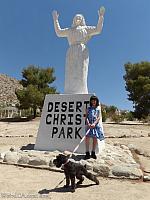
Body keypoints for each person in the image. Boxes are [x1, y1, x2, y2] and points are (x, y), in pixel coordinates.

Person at [52, 8, 105, 94]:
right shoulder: (70, 30)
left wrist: (101, 17)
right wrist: (55, 20)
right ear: (74, 20)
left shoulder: (86, 29)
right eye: (76, 18)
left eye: (79, 18)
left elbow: (97, 30)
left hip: (82, 50)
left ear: (82, 20)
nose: (78, 19)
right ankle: (69, 91)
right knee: (70, 71)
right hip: (71, 50)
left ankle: (82, 91)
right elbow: (59, 32)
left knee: (81, 71)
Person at [85, 95, 105, 159]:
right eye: (92, 100)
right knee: (87, 138)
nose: (93, 101)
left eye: (95, 100)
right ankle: (87, 153)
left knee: (94, 139)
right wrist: (88, 123)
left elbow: (98, 117)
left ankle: (93, 152)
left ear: (96, 101)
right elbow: (86, 117)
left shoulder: (98, 109)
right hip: (89, 126)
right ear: (91, 101)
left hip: (95, 126)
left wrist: (94, 124)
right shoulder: (88, 109)